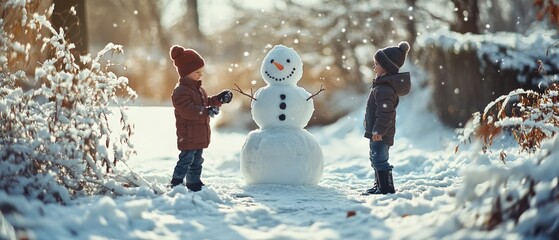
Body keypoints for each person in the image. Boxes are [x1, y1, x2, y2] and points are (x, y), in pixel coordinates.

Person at [168, 45, 233, 191]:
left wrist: (219, 99)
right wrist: (206, 112)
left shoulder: (199, 90)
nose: (200, 75)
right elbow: (188, 111)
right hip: (188, 134)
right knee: (186, 159)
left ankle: (194, 182)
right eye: (197, 72)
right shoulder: (180, 92)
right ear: (186, 73)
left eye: (201, 71)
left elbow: (206, 102)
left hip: (198, 134)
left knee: (197, 161)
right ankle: (176, 182)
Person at [362, 41, 411, 195]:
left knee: (380, 160)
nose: (374, 67)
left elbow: (385, 113)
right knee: (375, 159)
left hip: (380, 134)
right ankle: (379, 185)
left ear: (386, 68)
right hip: (377, 133)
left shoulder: (384, 89)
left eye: (376, 63)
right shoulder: (380, 86)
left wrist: (378, 130)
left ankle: (386, 188)